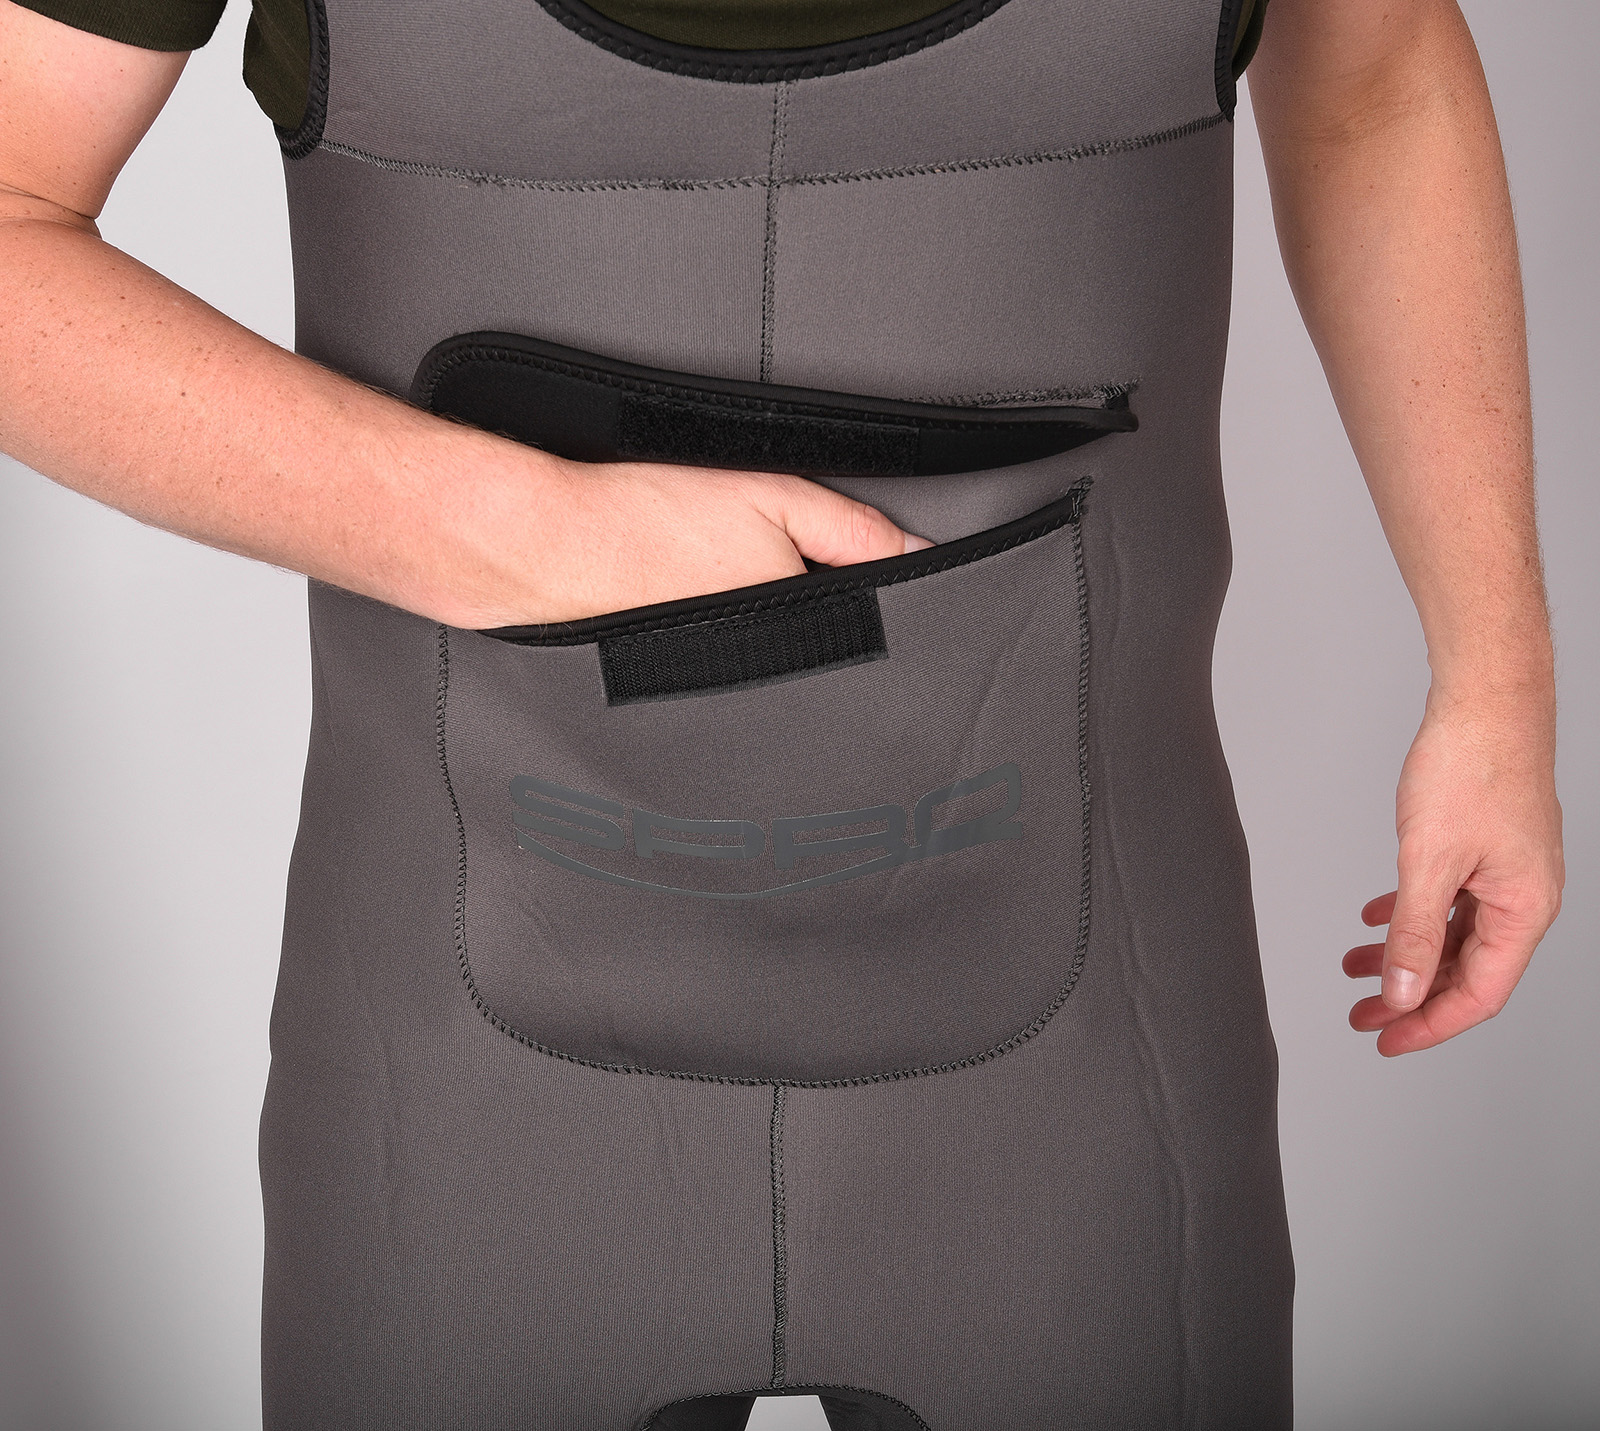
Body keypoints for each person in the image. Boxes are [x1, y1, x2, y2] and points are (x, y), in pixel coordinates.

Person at [0, 0, 1564, 1427]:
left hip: (1089, 1076)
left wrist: (1496, 682)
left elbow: (1374, 83)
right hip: (463, 1088)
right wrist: (525, 531)